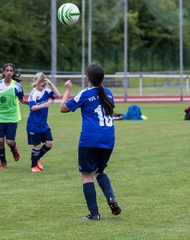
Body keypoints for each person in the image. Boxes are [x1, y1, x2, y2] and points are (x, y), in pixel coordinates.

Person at [60, 63, 121, 221]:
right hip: (108, 138)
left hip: (90, 139)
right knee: (100, 171)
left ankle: (94, 214)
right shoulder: (108, 92)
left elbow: (63, 108)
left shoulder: (85, 94)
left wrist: (67, 90)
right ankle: (111, 198)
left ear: (87, 77)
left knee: (87, 175)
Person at [0, 63, 28, 169]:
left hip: (12, 116)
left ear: (13, 73)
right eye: (7, 70)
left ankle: (14, 149)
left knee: (9, 141)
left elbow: (22, 99)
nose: (9, 72)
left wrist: (29, 103)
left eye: (11, 71)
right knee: (0, 141)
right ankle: (3, 162)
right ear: (3, 72)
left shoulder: (17, 86)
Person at [26, 72, 60, 172]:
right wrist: (44, 105)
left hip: (43, 124)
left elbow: (58, 95)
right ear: (36, 82)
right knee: (36, 146)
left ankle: (36, 158)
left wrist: (51, 83)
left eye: (44, 82)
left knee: (49, 143)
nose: (43, 84)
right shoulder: (33, 94)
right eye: (41, 82)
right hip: (34, 124)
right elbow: (32, 107)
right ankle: (33, 166)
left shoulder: (46, 90)